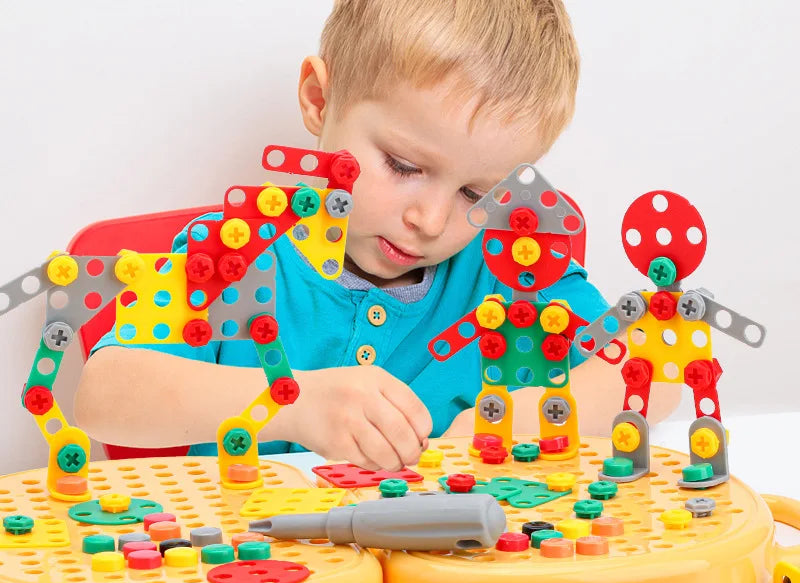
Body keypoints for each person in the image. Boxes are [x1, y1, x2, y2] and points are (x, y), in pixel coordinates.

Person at [75, 0, 679, 471]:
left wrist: (514, 420)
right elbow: (105, 395)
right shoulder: (232, 253)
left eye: (477, 194)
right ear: (319, 99)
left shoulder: (512, 274)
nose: (433, 221)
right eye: (405, 166)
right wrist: (293, 403)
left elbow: (662, 371)